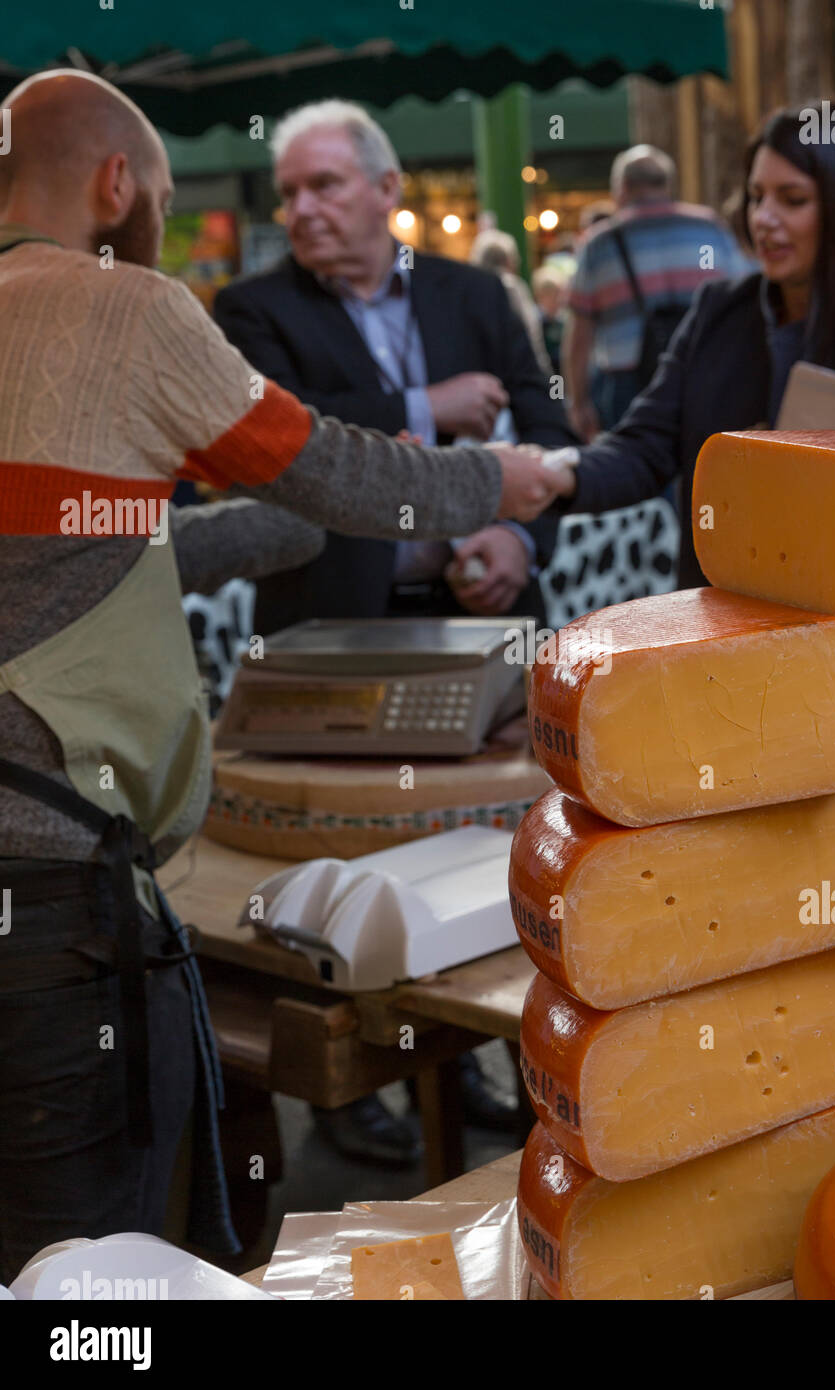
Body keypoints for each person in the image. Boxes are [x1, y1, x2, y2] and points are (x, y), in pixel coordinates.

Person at [0, 70, 569, 1284]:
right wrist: (495, 481)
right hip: (46, 898)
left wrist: (289, 528)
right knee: (76, 1256)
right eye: (152, 200)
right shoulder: (122, 305)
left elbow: (84, 548)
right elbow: (328, 468)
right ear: (116, 184)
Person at [548, 101, 835, 586]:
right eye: (757, 197)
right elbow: (644, 446)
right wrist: (558, 473)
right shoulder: (718, 312)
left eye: (792, 200)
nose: (764, 218)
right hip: (725, 624)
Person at [214, 102, 577, 638]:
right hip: (331, 620)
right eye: (288, 193)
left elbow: (547, 429)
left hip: (487, 613)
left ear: (387, 190)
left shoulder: (475, 293)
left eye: (324, 185)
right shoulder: (252, 307)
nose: (301, 210)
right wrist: (425, 407)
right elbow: (276, 439)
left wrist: (519, 541)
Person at [562, 145, 751, 439]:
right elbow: (744, 302)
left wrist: (579, 402)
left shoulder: (599, 245)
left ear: (621, 188)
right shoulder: (709, 228)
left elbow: (579, 337)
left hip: (629, 383)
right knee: (702, 472)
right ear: (667, 185)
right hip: (703, 375)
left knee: (635, 471)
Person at [470, 228, 550, 375]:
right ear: (509, 260)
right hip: (512, 373)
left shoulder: (471, 288)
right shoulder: (513, 286)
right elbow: (532, 332)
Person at [532, 264, 569, 375]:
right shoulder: (533, 321)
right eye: (556, 293)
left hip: (559, 381)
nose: (561, 299)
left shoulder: (563, 321)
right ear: (542, 295)